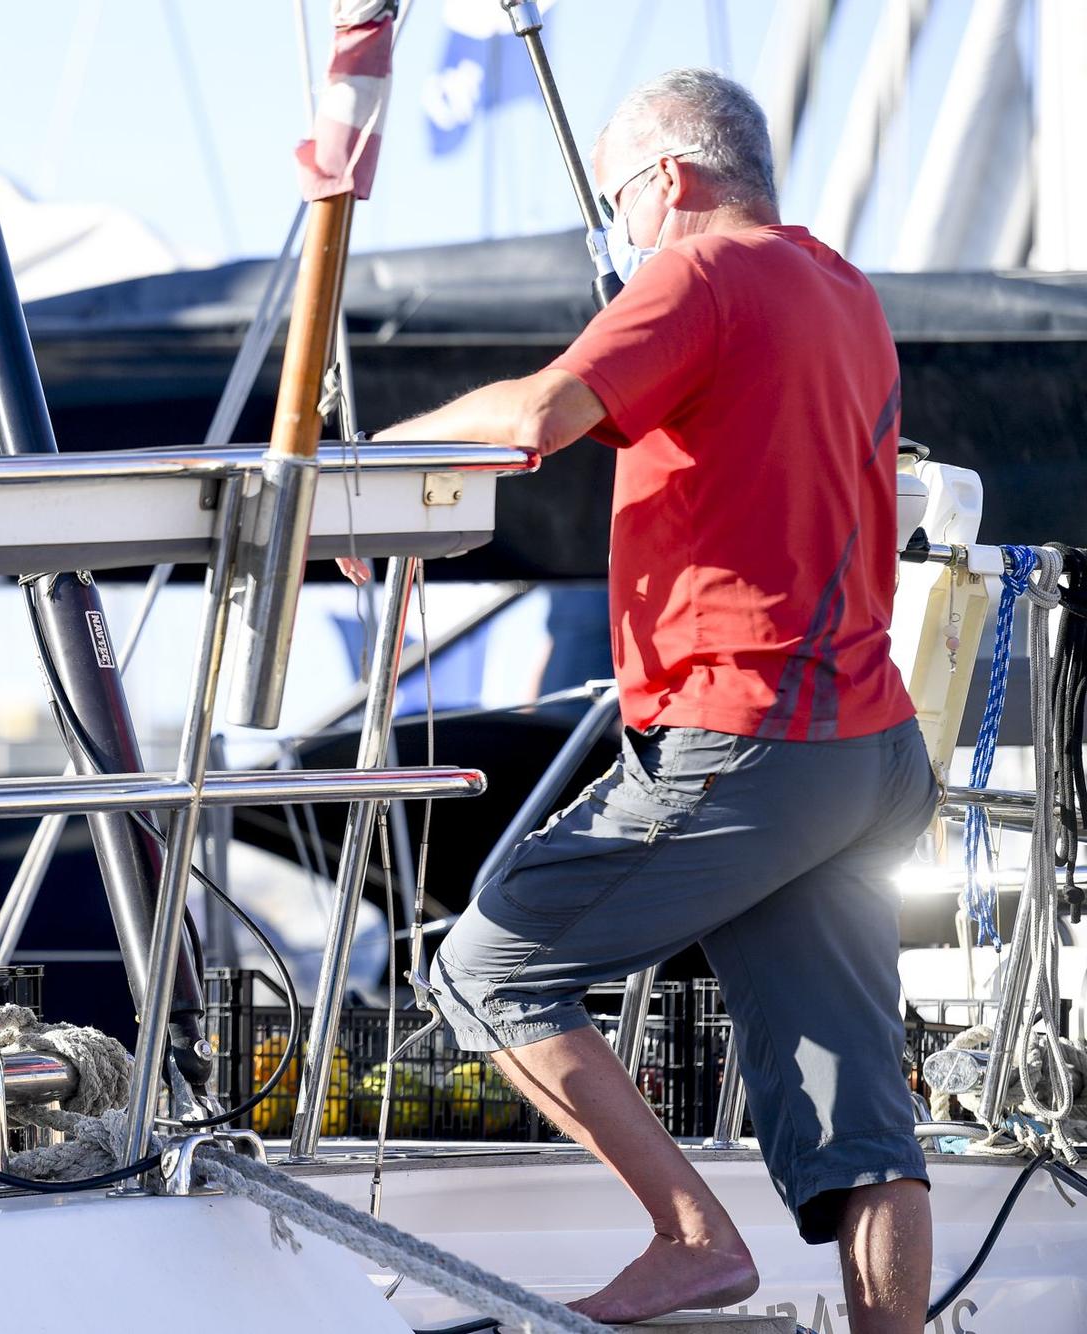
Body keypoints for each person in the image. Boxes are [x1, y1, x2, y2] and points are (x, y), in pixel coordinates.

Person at [345, 70, 935, 1329]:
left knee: (485, 968)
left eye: (617, 207)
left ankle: (689, 1233)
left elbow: (538, 415)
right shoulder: (845, 291)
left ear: (667, 180)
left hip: (748, 734)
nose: (617, 241)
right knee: (861, 1126)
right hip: (865, 745)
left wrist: (371, 462)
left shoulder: (699, 274)